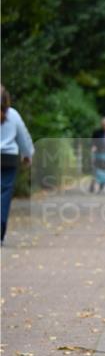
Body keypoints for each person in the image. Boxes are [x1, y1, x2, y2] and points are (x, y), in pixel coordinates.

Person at [1, 85, 34, 244]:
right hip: (8, 158)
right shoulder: (13, 115)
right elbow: (23, 136)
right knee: (4, 194)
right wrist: (27, 154)